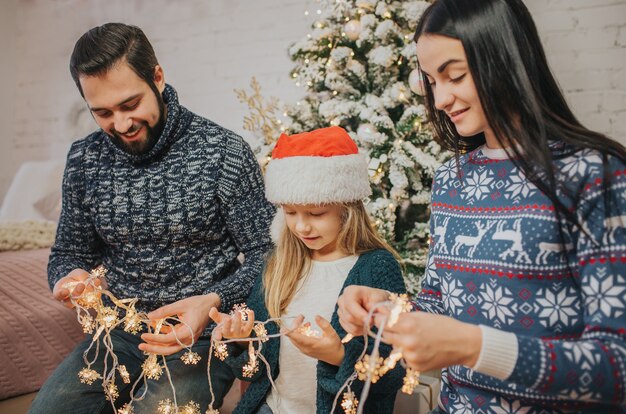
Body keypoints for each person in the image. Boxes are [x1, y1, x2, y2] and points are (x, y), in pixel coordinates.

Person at [337, 0, 626, 412]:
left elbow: (617, 367)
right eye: (432, 82)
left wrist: (475, 347)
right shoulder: (451, 179)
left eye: (454, 76)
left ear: (505, 59)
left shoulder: (593, 174)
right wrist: (386, 309)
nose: (440, 99)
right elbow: (438, 301)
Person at [29, 23, 275, 414]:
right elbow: (68, 252)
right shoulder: (83, 159)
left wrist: (214, 299)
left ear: (157, 77)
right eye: (103, 113)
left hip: (202, 336)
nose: (122, 125)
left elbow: (270, 253)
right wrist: (68, 277)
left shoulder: (223, 151)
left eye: (130, 105)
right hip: (118, 334)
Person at [209, 126, 406, 413]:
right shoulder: (279, 265)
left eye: (316, 213)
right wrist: (240, 341)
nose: (301, 226)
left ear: (346, 207)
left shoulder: (376, 268)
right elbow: (252, 371)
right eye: (290, 212)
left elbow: (393, 372)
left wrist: (339, 356)